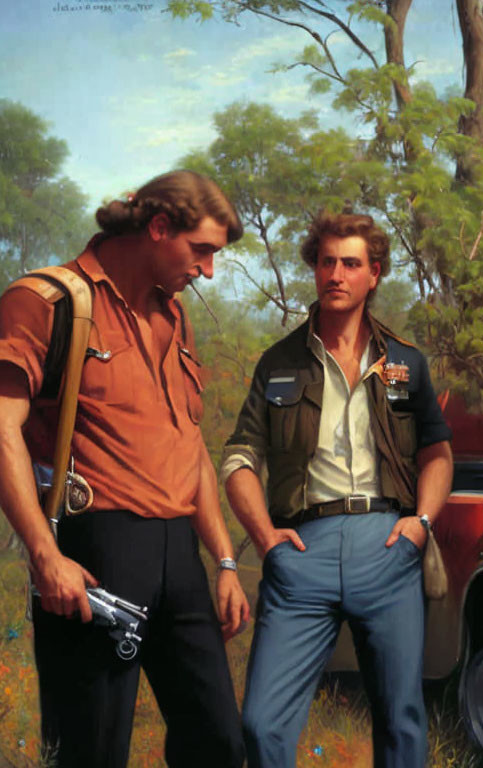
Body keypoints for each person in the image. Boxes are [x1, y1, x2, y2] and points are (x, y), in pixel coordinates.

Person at [0, 170, 250, 768]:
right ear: (158, 228)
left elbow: (188, 447)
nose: (208, 271)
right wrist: (45, 557)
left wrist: (223, 560)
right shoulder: (47, 302)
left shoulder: (176, 319)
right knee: (93, 751)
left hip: (179, 554)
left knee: (219, 743)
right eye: (202, 251)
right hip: (97, 550)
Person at [221, 212, 453, 768]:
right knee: (260, 725)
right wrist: (265, 537)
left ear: (374, 274)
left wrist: (420, 525)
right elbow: (238, 458)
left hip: (388, 546)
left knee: (401, 721)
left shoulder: (406, 363)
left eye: (351, 263)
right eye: (327, 261)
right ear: (315, 267)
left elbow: (437, 455)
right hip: (303, 552)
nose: (337, 274)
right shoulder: (279, 361)